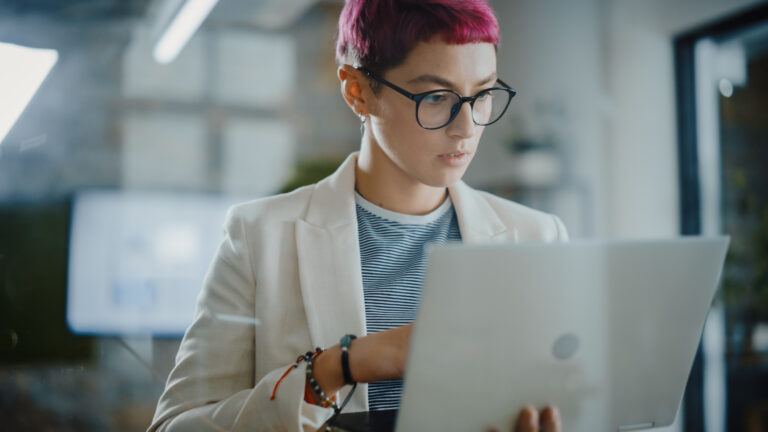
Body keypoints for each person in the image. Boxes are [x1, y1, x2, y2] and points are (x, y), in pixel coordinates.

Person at [149, 1, 567, 431]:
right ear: (357, 91)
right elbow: (174, 426)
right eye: (437, 97)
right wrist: (340, 367)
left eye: (482, 95)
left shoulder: (536, 236)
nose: (467, 128)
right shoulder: (260, 237)